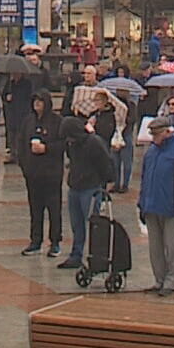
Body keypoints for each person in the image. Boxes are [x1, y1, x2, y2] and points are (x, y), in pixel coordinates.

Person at [137, 117, 174, 297]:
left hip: (171, 207)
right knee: (155, 248)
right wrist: (142, 203)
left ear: (167, 132)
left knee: (171, 247)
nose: (154, 138)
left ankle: (170, 281)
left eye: (156, 134)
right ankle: (159, 280)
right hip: (151, 206)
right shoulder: (151, 152)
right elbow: (145, 179)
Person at [59, 114, 116, 269]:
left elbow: (106, 163)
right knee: (76, 225)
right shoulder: (72, 144)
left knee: (93, 225)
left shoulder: (94, 142)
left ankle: (96, 256)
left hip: (90, 188)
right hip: (75, 186)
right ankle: (76, 255)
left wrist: (107, 182)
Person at [18, 92, 65, 255]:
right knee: (35, 209)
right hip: (33, 174)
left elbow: (64, 144)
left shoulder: (57, 121)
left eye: (40, 101)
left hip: (51, 174)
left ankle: (55, 241)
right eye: (35, 101)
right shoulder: (28, 121)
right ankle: (35, 240)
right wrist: (24, 166)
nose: (37, 104)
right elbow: (21, 143)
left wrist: (47, 148)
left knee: (54, 209)